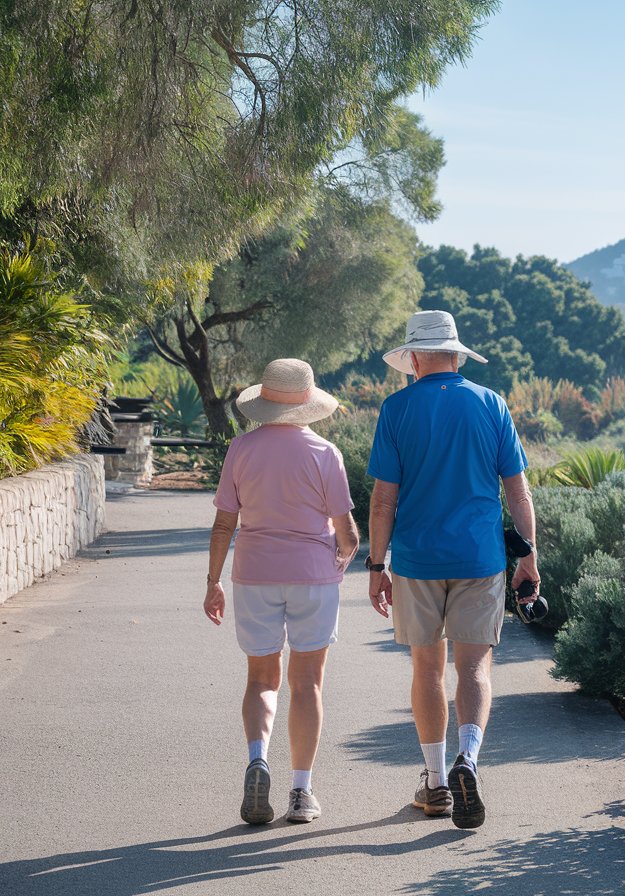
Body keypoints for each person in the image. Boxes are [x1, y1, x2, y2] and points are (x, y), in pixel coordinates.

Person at [366, 310, 540, 830]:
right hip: (481, 559)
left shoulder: (396, 409)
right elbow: (518, 490)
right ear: (458, 354)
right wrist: (528, 557)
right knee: (474, 669)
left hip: (418, 561)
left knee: (426, 669)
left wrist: (378, 565)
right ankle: (470, 757)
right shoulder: (491, 404)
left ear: (414, 358)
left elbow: (381, 501)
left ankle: (438, 782)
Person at [203, 358, 359, 826]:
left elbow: (224, 523)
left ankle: (257, 759)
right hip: (313, 575)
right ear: (308, 404)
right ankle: (301, 792)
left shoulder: (241, 449)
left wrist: (212, 582)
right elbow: (346, 530)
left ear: (264, 402)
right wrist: (343, 558)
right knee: (307, 682)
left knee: (260, 679)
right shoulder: (325, 452)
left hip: (254, 573)